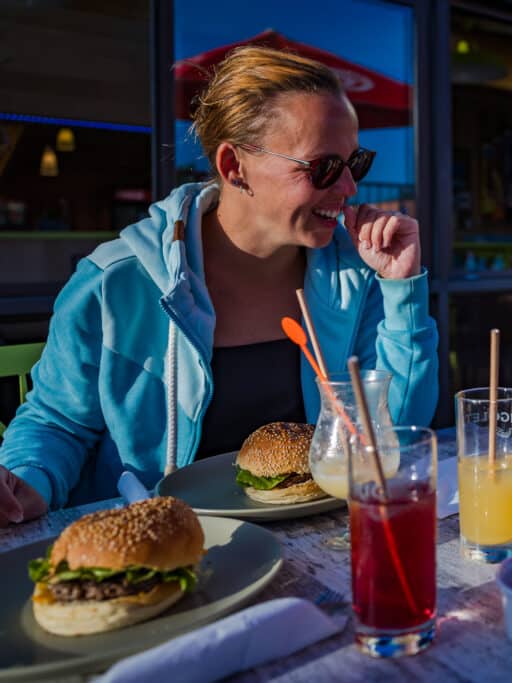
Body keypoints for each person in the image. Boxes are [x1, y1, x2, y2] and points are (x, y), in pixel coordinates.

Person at [0, 47, 439, 526]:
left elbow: (394, 431)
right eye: (324, 168)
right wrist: (27, 481)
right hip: (164, 538)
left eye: (356, 163)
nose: (350, 187)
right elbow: (58, 424)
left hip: (318, 534)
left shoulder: (357, 275)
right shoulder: (115, 284)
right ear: (234, 166)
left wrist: (402, 289)